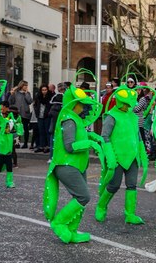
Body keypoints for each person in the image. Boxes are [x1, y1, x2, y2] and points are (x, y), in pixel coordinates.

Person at [44, 84, 103, 244]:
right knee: (83, 196)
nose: (83, 106)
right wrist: (91, 144)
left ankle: (72, 230)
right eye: (81, 103)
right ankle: (59, 223)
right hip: (67, 165)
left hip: (76, 165)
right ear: (73, 102)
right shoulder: (69, 119)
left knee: (81, 197)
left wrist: (91, 137)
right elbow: (70, 146)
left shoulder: (75, 119)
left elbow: (79, 137)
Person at [95, 84, 147, 225]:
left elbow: (138, 136)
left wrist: (142, 154)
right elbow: (104, 137)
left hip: (132, 158)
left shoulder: (133, 116)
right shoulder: (111, 116)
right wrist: (110, 157)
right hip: (117, 157)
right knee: (114, 185)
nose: (128, 107)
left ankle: (130, 214)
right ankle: (101, 206)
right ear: (119, 101)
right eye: (125, 104)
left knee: (132, 185)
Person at [0, 102, 23, 189]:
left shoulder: (12, 117)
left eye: (2, 107)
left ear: (6, 107)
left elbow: (18, 128)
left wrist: (17, 138)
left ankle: (9, 181)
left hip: (8, 142)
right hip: (0, 141)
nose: (1, 108)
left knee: (9, 164)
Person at [8, 80, 32, 149]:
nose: (26, 87)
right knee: (17, 128)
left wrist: (26, 93)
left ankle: (25, 143)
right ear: (21, 85)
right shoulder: (16, 93)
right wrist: (12, 94)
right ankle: (17, 142)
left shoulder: (27, 93)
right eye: (25, 85)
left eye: (27, 85)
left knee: (25, 129)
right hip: (17, 113)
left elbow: (30, 101)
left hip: (25, 114)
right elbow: (10, 101)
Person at [33, 84, 52, 154]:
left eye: (45, 90)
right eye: (43, 90)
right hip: (40, 116)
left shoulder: (50, 97)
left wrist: (49, 113)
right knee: (41, 131)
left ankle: (48, 146)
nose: (44, 91)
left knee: (47, 131)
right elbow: (35, 105)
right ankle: (41, 146)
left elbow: (50, 106)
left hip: (47, 116)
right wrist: (36, 112)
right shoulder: (38, 97)